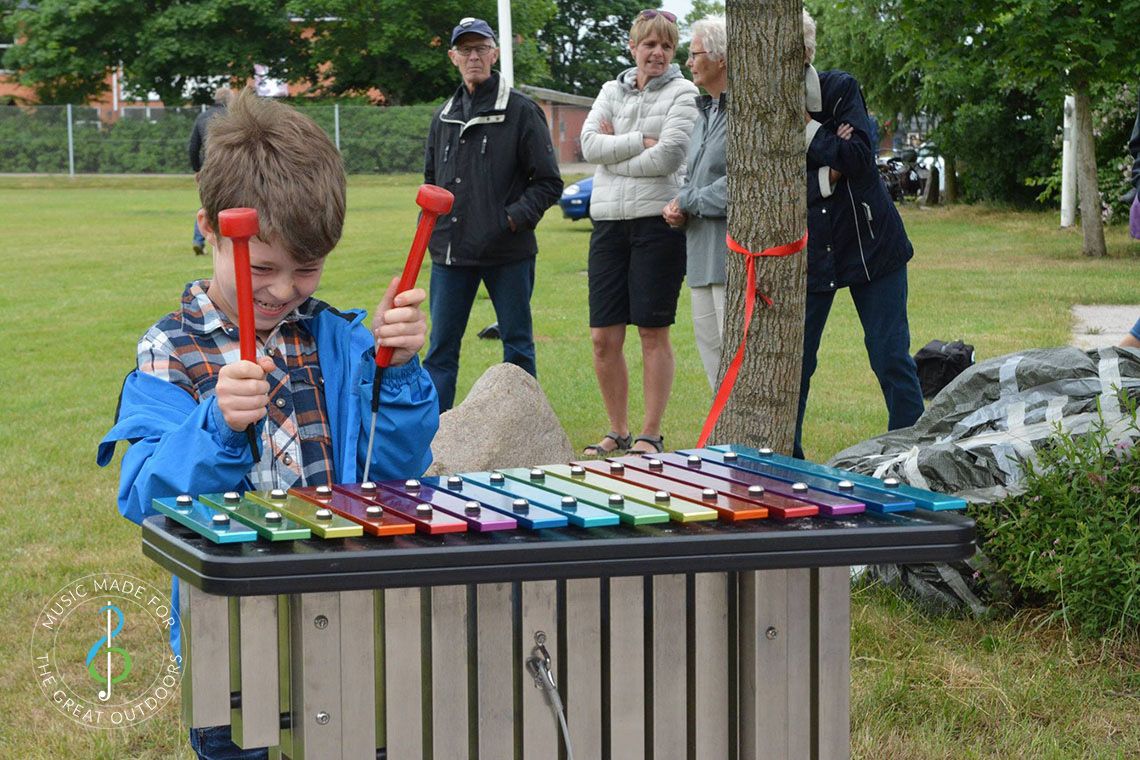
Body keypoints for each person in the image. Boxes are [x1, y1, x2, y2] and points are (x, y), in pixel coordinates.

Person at [97, 89, 439, 759]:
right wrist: (218, 427)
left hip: (339, 619)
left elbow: (395, 471)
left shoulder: (338, 341)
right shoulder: (172, 351)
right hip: (230, 635)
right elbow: (145, 494)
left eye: (306, 268)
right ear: (209, 228)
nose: (284, 290)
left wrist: (394, 370)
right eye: (262, 268)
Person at [795, 10, 925, 459]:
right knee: (796, 364)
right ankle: (785, 459)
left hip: (874, 245)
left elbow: (859, 156)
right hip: (813, 252)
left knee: (890, 355)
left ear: (808, 53)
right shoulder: (757, 108)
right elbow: (772, 187)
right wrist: (825, 175)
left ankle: (909, 453)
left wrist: (808, 130)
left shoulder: (840, 87)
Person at [423, 17, 564, 412]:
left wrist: (509, 221)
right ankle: (431, 439)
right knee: (440, 352)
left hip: (509, 253)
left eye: (481, 48)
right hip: (451, 255)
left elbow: (549, 182)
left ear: (495, 54)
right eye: (465, 50)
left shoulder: (520, 111)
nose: (473, 57)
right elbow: (431, 183)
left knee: (518, 346)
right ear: (453, 57)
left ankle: (524, 428)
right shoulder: (443, 117)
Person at [579, 9, 698, 455]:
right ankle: (617, 430)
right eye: (650, 44)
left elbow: (669, 157)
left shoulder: (685, 93)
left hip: (657, 224)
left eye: (667, 46)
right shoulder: (610, 90)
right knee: (602, 337)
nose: (658, 53)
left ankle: (649, 433)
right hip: (608, 223)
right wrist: (638, 141)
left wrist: (615, 151)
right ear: (633, 47)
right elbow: (588, 144)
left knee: (652, 330)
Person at [663, 14, 728, 391]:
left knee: (735, 360)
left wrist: (686, 199)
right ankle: (722, 441)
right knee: (711, 362)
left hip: (728, 259)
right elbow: (695, 181)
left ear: (720, 58)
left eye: (694, 53)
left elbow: (743, 186)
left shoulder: (744, 115)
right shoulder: (704, 113)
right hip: (699, 256)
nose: (688, 63)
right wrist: (681, 208)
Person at [188, 86, 233, 255]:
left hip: (208, 168)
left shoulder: (201, 117)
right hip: (231, 166)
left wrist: (197, 169)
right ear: (229, 101)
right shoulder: (233, 117)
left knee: (208, 203)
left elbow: (193, 147)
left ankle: (198, 240)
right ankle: (231, 240)